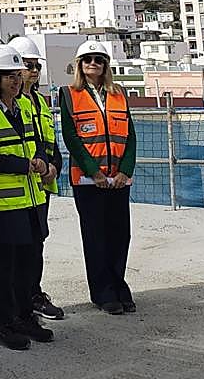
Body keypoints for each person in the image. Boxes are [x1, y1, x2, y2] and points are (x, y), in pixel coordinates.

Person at [0, 44, 55, 350]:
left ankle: (23, 316)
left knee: (27, 262)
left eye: (18, 75)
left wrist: (43, 160)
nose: (16, 81)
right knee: (5, 264)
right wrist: (22, 165)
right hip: (3, 203)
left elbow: (38, 143)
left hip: (30, 199)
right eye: (9, 76)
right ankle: (3, 323)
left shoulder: (24, 109)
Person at [59, 39, 137, 315]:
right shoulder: (68, 94)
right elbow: (71, 138)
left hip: (118, 180)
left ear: (106, 65)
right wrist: (95, 172)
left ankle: (118, 285)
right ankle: (103, 292)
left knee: (120, 235)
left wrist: (125, 171)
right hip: (88, 181)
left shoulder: (118, 94)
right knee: (96, 237)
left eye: (99, 59)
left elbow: (130, 136)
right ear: (80, 64)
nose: (94, 63)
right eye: (88, 59)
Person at [7, 36, 65, 321]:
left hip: (43, 183)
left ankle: (34, 292)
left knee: (37, 241)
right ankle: (22, 299)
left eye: (36, 66)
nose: (33, 71)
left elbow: (49, 140)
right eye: (27, 66)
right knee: (21, 245)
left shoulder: (40, 102)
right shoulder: (11, 104)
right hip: (23, 184)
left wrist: (55, 165)